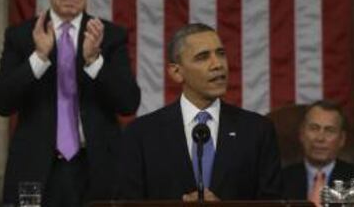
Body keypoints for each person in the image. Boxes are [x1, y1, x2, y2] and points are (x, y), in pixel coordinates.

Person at [0, 0, 140, 206]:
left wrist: (95, 62)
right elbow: (1, 103)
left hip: (96, 170)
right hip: (35, 169)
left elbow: (128, 103)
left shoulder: (109, 36)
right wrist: (39, 58)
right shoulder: (21, 36)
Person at [120, 23, 282, 201]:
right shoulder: (142, 134)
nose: (217, 64)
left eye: (220, 54)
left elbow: (273, 202)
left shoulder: (257, 131)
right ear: (176, 72)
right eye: (202, 57)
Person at [282, 100, 354, 205]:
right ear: (301, 134)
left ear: (342, 139)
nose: (320, 138)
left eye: (329, 130)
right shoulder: (279, 181)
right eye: (314, 128)